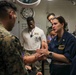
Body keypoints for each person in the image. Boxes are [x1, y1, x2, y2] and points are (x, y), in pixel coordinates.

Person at [0, 1, 44, 75]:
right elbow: (18, 72)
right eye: (16, 18)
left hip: (35, 52)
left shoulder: (40, 31)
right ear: (11, 14)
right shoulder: (8, 39)